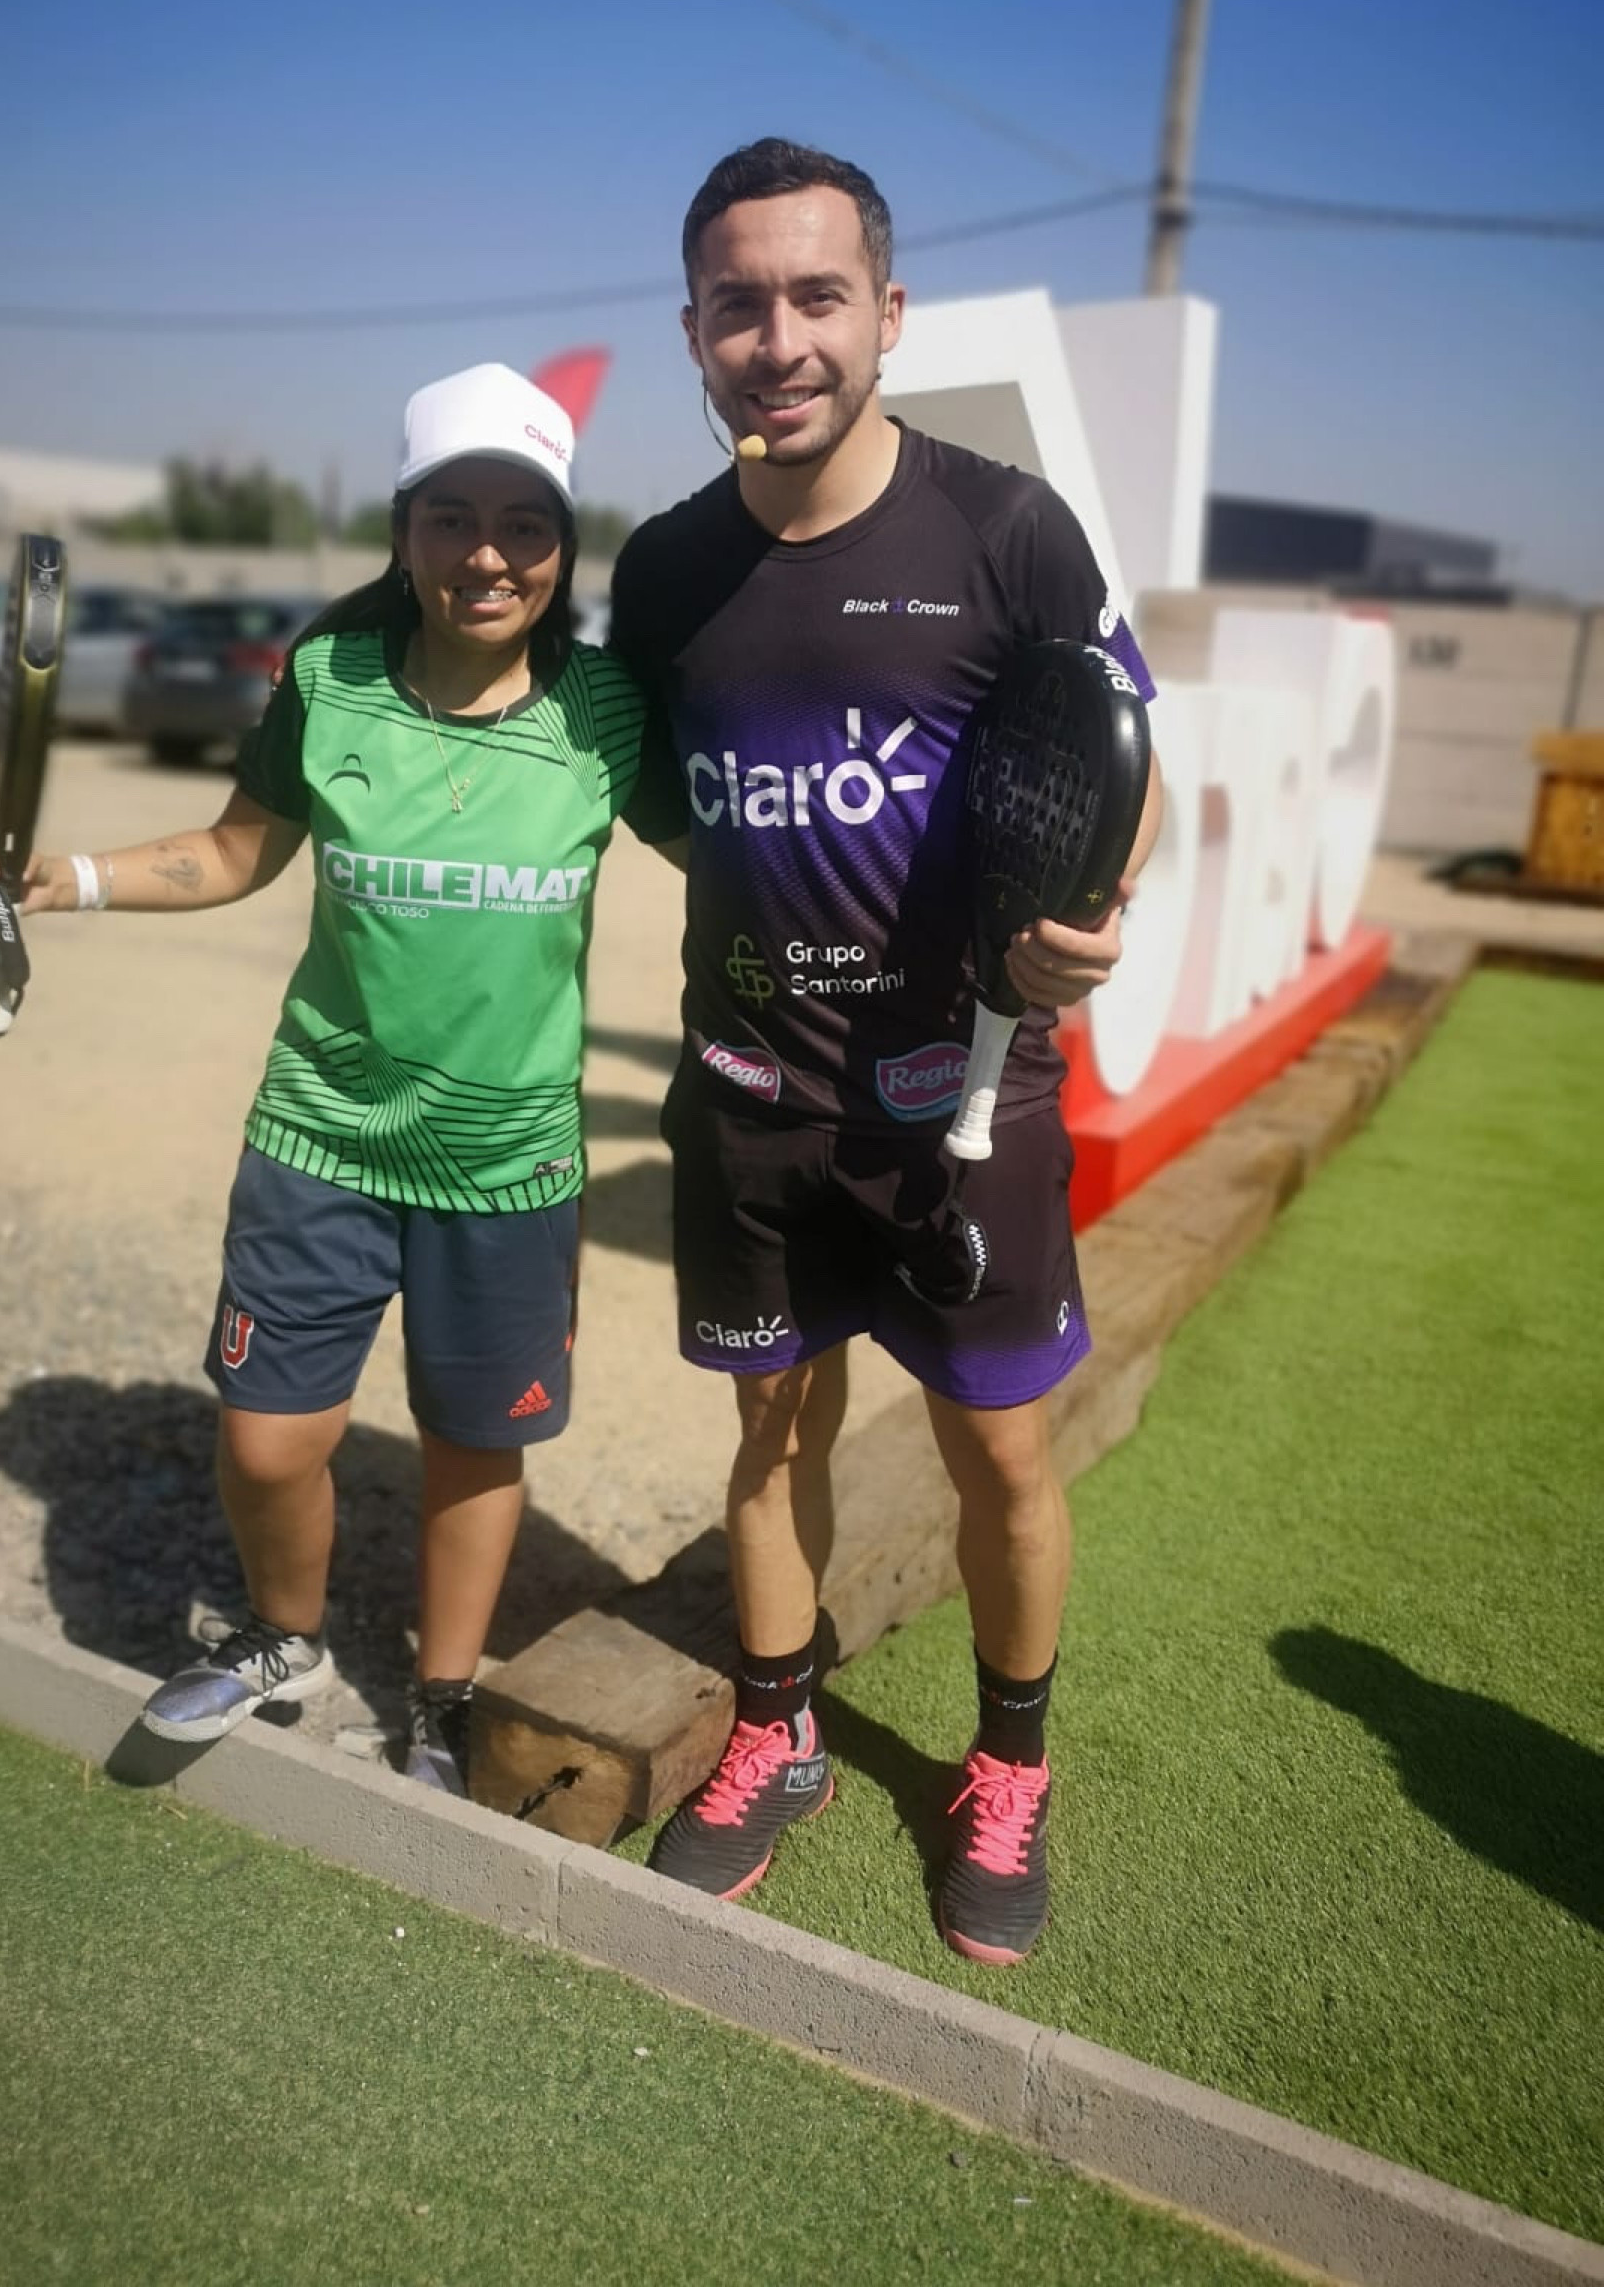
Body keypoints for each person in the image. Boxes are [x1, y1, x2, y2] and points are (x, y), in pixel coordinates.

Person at [0, 363, 683, 1792]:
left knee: (473, 1446)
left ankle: (439, 1700)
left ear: (563, 545)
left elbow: (738, 855)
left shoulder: (608, 710)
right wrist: (71, 879)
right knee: (267, 1442)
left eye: (525, 524)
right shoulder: (330, 682)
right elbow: (237, 852)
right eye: (453, 518)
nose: (488, 554)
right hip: (322, 1136)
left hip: (510, 1165)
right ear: (405, 529)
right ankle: (285, 1639)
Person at [608, 141, 1165, 1961]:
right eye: (739, 305)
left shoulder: (1008, 530)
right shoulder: (664, 570)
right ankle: (777, 1735)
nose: (779, 340)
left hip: (970, 1100)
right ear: (695, 331)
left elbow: (1124, 761)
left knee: (999, 1452)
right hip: (751, 1099)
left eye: (817, 296)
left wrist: (1091, 908)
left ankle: (1010, 1766)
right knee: (772, 1431)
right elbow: (680, 809)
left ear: (888, 313)